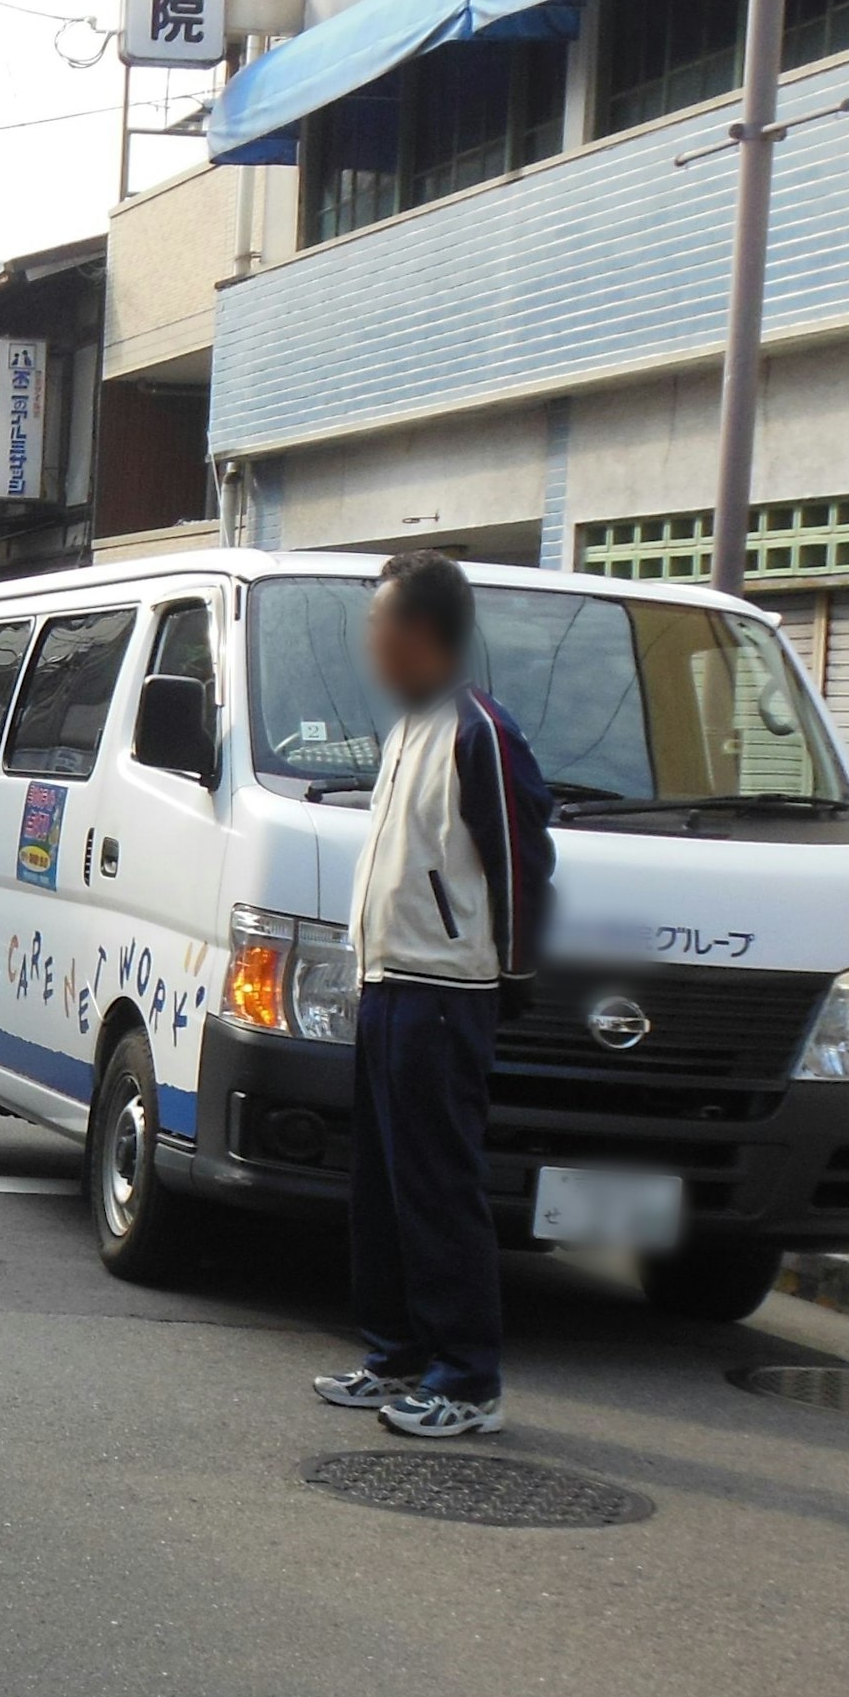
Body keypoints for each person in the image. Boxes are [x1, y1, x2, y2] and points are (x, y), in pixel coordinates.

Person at [314, 551, 555, 1440]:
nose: (370, 642)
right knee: (380, 1184)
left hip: (445, 993)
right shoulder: (409, 728)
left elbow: (523, 862)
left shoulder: (478, 731)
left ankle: (469, 1378)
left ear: (420, 635)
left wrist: (514, 975)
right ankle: (396, 1356)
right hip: (388, 984)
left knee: (436, 1185)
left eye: (380, 625)